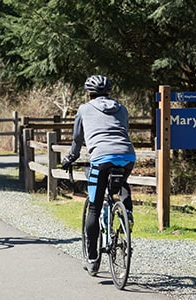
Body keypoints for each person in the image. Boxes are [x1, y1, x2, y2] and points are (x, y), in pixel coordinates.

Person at [61, 75, 136, 276]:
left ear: (89, 93)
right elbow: (123, 131)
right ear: (109, 92)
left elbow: (77, 139)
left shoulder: (84, 109)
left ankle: (93, 259)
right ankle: (126, 212)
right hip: (127, 155)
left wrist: (70, 158)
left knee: (94, 205)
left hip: (102, 158)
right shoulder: (121, 108)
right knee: (122, 181)